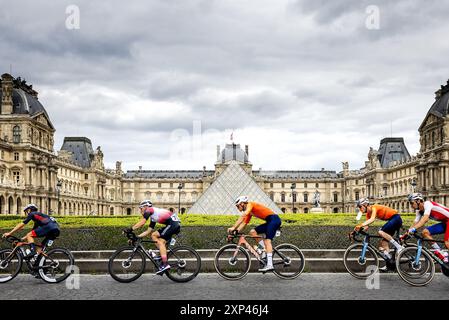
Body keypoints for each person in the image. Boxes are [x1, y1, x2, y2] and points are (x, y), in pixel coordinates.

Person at [227, 196, 282, 272]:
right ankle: (265, 249)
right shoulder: (249, 212)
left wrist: (233, 227)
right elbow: (244, 224)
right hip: (270, 221)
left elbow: (243, 216)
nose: (237, 207)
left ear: (242, 203)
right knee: (252, 232)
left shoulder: (250, 204)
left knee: (267, 241)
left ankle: (270, 265)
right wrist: (235, 231)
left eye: (237, 205)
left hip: (274, 220)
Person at [126, 200, 181, 275]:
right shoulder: (153, 216)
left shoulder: (150, 209)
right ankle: (162, 256)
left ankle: (165, 264)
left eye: (141, 208)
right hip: (173, 224)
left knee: (160, 242)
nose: (140, 210)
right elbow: (148, 231)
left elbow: (142, 222)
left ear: (145, 207)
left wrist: (130, 229)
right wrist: (137, 237)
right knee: (153, 235)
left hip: (173, 225)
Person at [354, 198, 404, 268]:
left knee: (380, 232)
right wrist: (356, 230)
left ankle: (399, 247)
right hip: (392, 220)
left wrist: (361, 225)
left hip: (396, 218)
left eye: (360, 207)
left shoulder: (374, 207)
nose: (360, 209)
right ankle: (390, 264)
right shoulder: (368, 214)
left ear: (365, 205)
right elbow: (366, 227)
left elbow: (372, 219)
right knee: (384, 243)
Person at [406, 193, 449, 263]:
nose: (411, 206)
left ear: (418, 201)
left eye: (412, 203)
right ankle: (442, 253)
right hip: (445, 222)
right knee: (425, 232)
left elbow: (425, 219)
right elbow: (415, 223)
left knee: (447, 242)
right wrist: (406, 233)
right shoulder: (419, 211)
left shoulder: (427, 204)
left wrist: (413, 229)